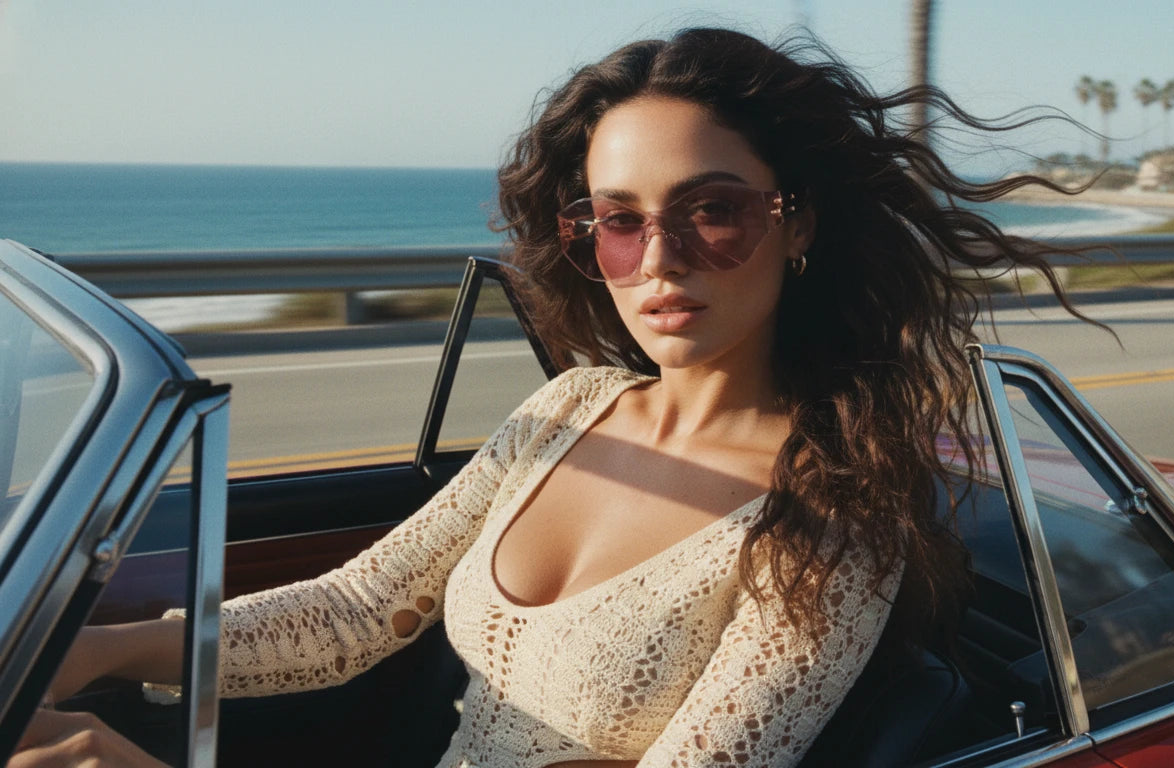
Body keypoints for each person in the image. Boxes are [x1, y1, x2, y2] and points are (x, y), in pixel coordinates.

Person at [13, 27, 1087, 768]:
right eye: (618, 220)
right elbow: (351, 614)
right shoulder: (568, 408)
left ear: (797, 224)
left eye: (712, 211)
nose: (659, 259)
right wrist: (98, 648)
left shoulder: (825, 518)